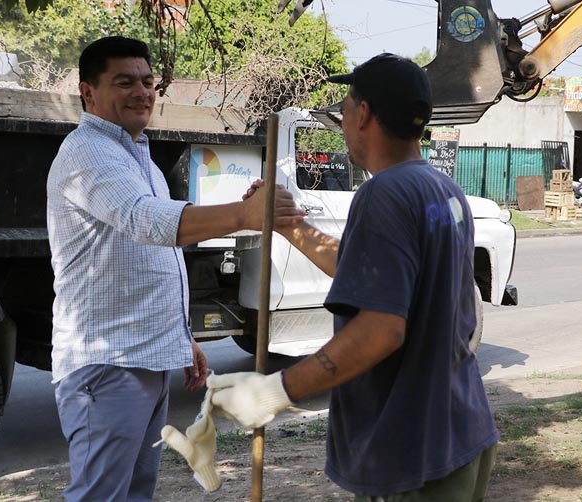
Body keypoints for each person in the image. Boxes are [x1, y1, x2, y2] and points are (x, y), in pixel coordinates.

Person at [204, 53, 498, 500]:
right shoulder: (441, 190)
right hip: (458, 433)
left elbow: (380, 330)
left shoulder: (384, 193)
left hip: (409, 454)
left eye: (343, 108)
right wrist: (290, 225)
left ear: (363, 114)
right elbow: (366, 270)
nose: (341, 120)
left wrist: (275, 391)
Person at [46, 36, 303, 501]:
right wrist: (245, 215)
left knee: (135, 492)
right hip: (107, 363)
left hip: (142, 356)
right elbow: (149, 223)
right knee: (99, 496)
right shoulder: (88, 152)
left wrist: (180, 337)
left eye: (147, 82)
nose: (142, 92)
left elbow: (157, 256)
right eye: (124, 82)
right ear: (88, 92)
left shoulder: (137, 157)